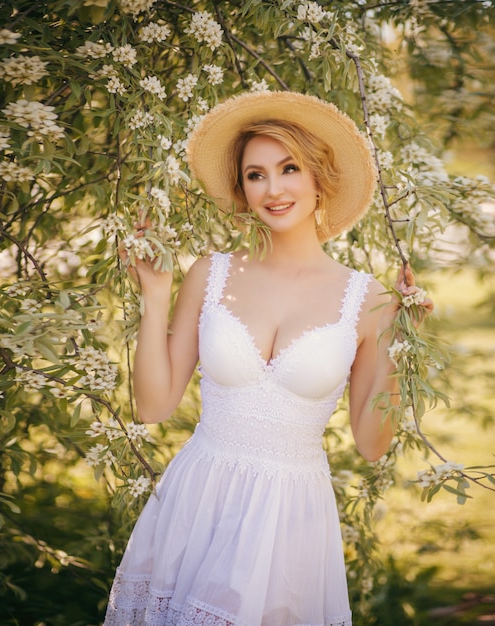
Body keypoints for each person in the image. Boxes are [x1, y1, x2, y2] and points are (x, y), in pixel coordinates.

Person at [104, 91, 433, 626]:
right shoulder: (209, 274)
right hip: (199, 496)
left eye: (289, 168)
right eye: (256, 175)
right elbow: (153, 407)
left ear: (319, 178)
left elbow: (373, 444)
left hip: (289, 515)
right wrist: (156, 294)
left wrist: (401, 346)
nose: (273, 189)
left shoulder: (369, 299)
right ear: (242, 189)